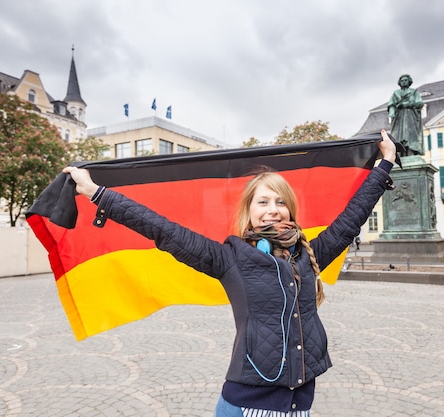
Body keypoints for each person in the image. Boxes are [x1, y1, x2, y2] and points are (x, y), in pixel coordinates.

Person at [63, 131, 398, 416]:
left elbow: (352, 217)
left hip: (300, 401)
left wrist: (384, 164)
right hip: (250, 404)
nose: (273, 210)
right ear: (249, 213)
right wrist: (96, 193)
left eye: (280, 202)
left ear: (290, 210)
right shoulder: (229, 258)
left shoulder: (309, 254)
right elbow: (161, 229)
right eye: (263, 202)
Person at [387, 74, 424, 156]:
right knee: (398, 136)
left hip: (411, 116)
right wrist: (392, 112)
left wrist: (408, 104)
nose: (403, 82)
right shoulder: (396, 93)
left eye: (405, 80)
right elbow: (391, 104)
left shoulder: (414, 92)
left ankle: (411, 152)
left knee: (411, 136)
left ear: (409, 81)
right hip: (399, 118)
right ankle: (400, 154)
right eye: (402, 80)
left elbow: (420, 103)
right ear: (399, 82)